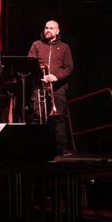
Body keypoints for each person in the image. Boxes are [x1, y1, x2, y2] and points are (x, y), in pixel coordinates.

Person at [28, 20, 74, 156]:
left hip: (58, 87)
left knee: (59, 117)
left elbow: (69, 67)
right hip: (39, 85)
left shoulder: (64, 47)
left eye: (51, 28)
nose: (48, 30)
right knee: (38, 116)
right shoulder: (37, 44)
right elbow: (30, 63)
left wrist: (56, 77)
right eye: (46, 28)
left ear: (57, 31)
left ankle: (61, 147)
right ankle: (38, 147)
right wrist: (39, 76)